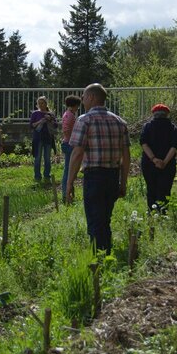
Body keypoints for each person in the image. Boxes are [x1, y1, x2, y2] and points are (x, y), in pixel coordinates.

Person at [66, 83, 130, 254]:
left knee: (95, 221)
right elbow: (126, 156)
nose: (82, 99)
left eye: (84, 96)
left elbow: (77, 153)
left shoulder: (84, 120)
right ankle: (106, 254)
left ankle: (99, 260)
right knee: (105, 220)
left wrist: (69, 183)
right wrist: (123, 183)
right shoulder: (119, 122)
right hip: (112, 176)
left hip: (94, 177)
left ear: (92, 97)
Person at [141, 104, 177, 212]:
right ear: (167, 115)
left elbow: (144, 144)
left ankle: (152, 213)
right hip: (168, 165)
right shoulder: (172, 128)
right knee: (165, 189)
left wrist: (154, 159)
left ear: (153, 114)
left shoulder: (147, 126)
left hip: (149, 164)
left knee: (151, 188)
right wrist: (164, 162)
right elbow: (174, 146)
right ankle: (163, 213)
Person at [30, 96, 57, 182]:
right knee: (37, 158)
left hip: (48, 138)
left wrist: (50, 120)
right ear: (37, 105)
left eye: (43, 103)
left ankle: (47, 176)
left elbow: (55, 125)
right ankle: (37, 176)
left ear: (46, 104)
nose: (41, 105)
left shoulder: (50, 114)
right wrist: (40, 121)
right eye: (39, 103)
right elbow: (31, 125)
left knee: (47, 158)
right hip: (38, 138)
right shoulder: (35, 114)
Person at [61, 95, 82, 201]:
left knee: (69, 170)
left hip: (67, 143)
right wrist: (73, 140)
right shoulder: (70, 115)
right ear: (73, 105)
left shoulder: (67, 114)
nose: (78, 108)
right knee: (69, 170)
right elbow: (67, 130)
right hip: (69, 144)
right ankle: (66, 194)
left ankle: (69, 193)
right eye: (77, 106)